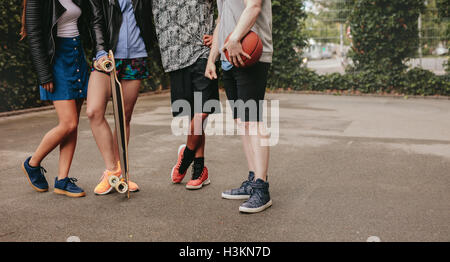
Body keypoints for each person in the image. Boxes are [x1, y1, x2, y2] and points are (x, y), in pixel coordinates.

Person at [20, 0, 104, 197]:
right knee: (68, 123)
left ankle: (62, 180)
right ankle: (32, 163)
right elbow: (34, 34)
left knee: (73, 124)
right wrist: (44, 73)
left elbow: (89, 20)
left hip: (76, 55)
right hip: (55, 58)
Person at [205, 0, 273, 213]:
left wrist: (235, 38)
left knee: (253, 119)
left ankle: (262, 188)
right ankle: (253, 179)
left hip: (249, 53)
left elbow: (254, 7)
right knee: (242, 121)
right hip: (229, 56)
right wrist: (212, 57)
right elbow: (221, 20)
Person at [86, 0, 156, 195]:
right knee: (93, 111)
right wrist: (100, 51)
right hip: (106, 56)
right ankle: (112, 171)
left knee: (123, 115)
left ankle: (121, 174)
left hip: (136, 56)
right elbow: (96, 19)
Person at [152, 0, 220, 190]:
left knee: (203, 111)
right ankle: (199, 170)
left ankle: (186, 157)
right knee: (193, 114)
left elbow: (228, 6)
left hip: (202, 52)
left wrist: (219, 34)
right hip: (175, 56)